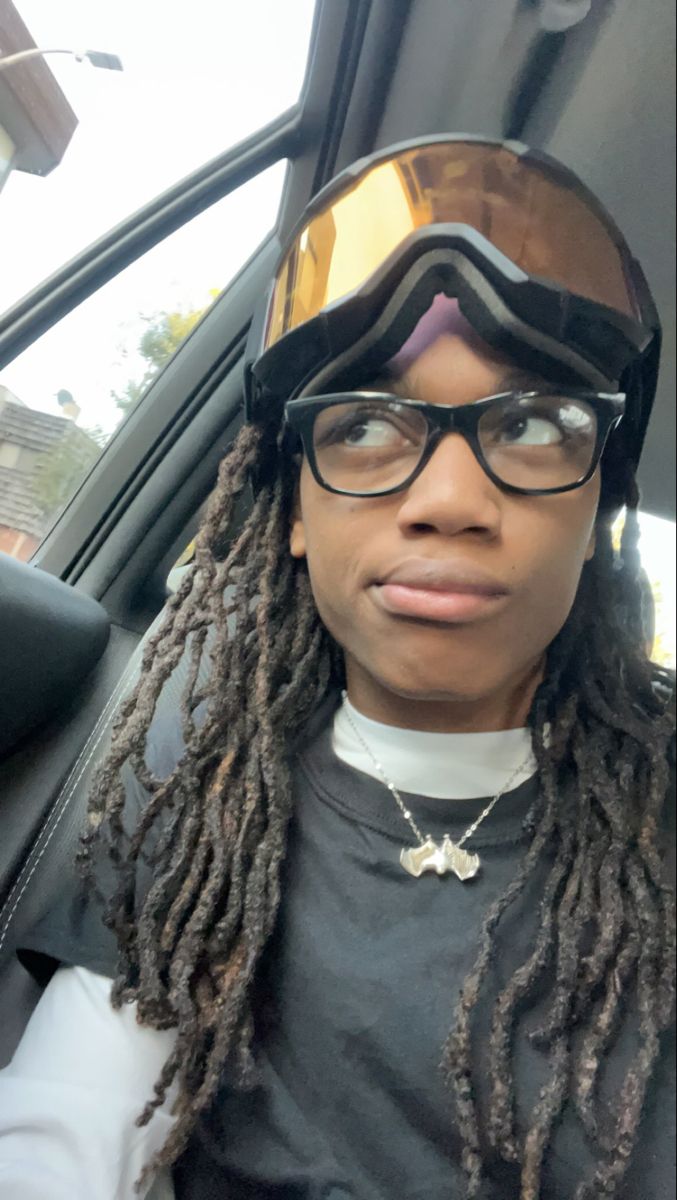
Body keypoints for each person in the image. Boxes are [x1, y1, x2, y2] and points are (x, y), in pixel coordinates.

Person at [0, 136, 674, 1200]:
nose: (448, 499)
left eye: (535, 423)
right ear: (296, 514)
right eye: (362, 424)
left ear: (594, 514)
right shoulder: (195, 814)